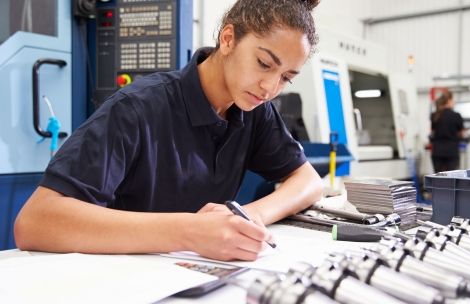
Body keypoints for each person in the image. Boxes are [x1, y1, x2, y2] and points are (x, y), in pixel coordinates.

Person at [14, 0, 323, 261]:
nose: (270, 88)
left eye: (286, 78)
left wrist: (250, 216)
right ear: (228, 39)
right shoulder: (138, 108)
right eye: (264, 64)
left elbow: (308, 181)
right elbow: (35, 222)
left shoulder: (254, 111)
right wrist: (190, 232)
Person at [430, 91, 465, 173]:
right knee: (451, 178)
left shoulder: (434, 115)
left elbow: (433, 133)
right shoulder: (456, 115)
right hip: (451, 152)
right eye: (453, 100)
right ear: (449, 101)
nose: (454, 102)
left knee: (438, 177)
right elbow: (461, 133)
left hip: (437, 151)